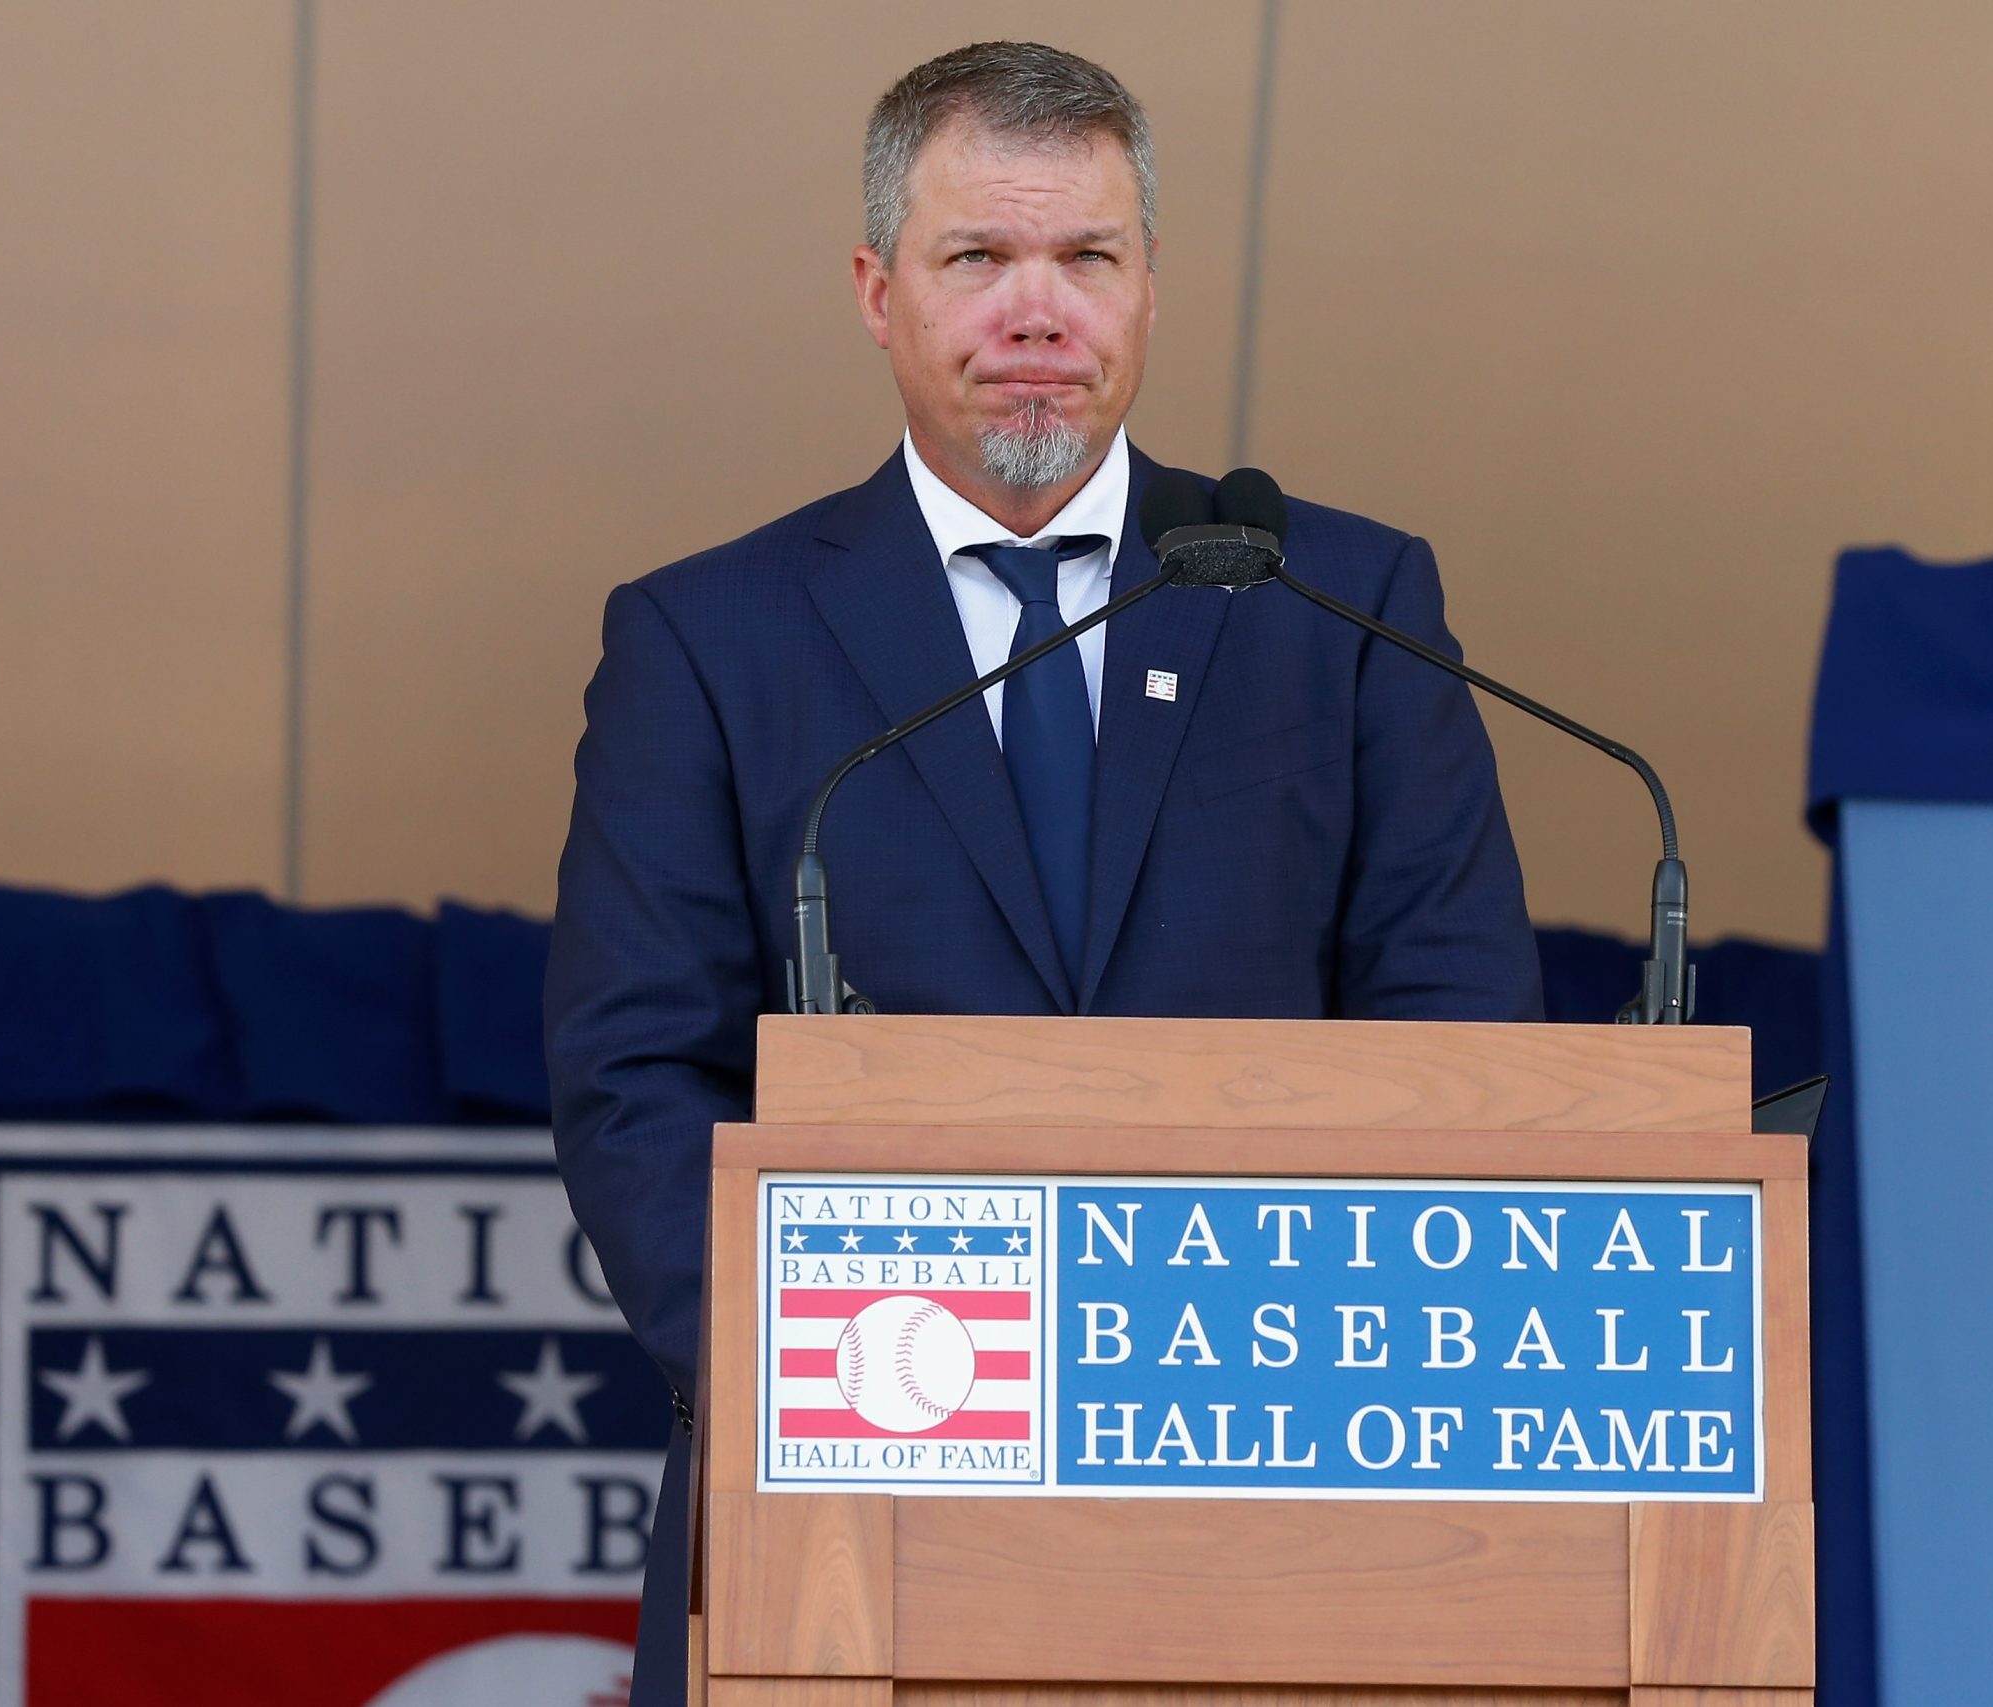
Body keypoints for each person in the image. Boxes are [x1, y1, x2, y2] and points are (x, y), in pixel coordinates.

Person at [543, 40, 1542, 1704]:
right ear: (877, 292)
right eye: (977, 257)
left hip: (1285, 1497)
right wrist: (842, 1379)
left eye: (1086, 256)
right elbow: (637, 1078)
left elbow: (1461, 1039)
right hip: (855, 1496)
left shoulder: (1337, 608)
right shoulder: (706, 640)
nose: (1037, 308)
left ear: (1150, 287)